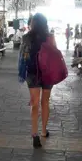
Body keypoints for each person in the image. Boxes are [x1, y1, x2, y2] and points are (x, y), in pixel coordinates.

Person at [19, 13, 56, 148]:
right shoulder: (50, 37)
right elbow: (55, 53)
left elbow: (23, 57)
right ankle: (44, 131)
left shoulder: (26, 37)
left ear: (33, 23)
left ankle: (34, 134)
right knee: (45, 102)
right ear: (45, 24)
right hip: (47, 73)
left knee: (34, 103)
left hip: (33, 72)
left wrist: (23, 72)